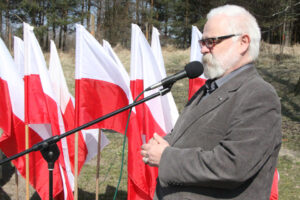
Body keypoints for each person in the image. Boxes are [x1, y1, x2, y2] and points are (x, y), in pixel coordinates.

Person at [141, 4, 282, 200]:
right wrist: (164, 142)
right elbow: (189, 135)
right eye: (202, 42)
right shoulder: (210, 87)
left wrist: (166, 157)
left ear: (243, 42)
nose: (204, 49)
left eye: (212, 41)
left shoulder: (259, 95)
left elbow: (234, 165)